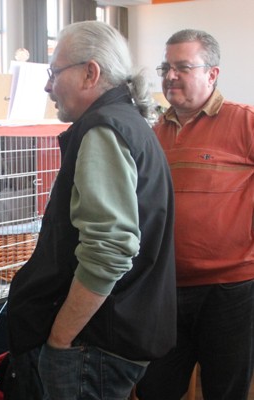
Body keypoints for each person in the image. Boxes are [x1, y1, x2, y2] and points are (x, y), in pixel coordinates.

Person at [6, 21, 177, 400]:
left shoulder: (104, 129)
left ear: (90, 72)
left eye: (54, 73)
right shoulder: (128, 121)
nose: (48, 86)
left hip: (91, 342)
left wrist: (61, 338)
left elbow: (110, 249)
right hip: (114, 332)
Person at [136, 29, 254, 400]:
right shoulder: (153, 133)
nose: (170, 76)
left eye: (183, 67)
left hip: (232, 290)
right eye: (166, 67)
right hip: (165, 288)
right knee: (157, 388)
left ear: (212, 74)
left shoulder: (244, 122)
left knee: (225, 390)